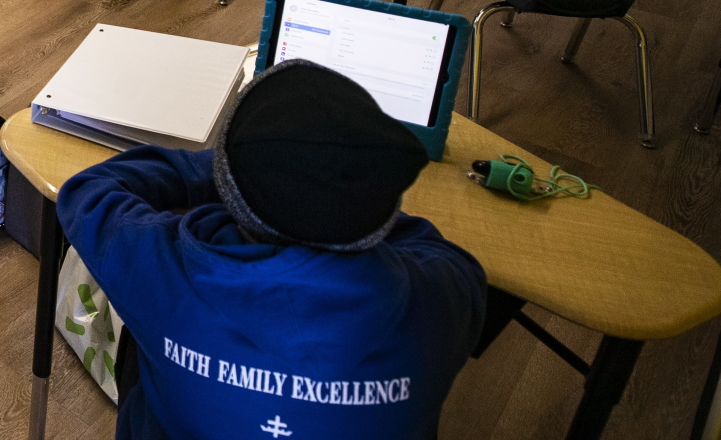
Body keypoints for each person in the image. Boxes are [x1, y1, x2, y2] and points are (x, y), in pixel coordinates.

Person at [57, 59, 487, 440]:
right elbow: (429, 247)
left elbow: (87, 191)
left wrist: (228, 166)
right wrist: (354, 194)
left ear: (231, 192)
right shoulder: (442, 299)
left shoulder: (161, 273)